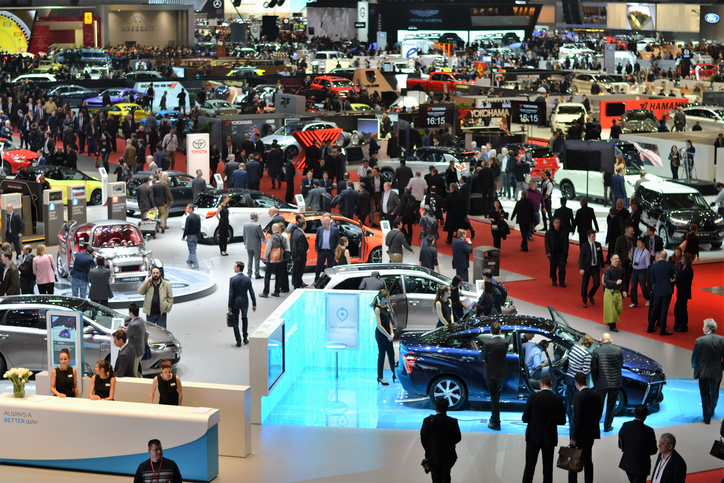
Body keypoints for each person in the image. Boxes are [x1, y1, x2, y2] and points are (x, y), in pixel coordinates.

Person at [521, 375, 567, 483]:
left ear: (540, 384)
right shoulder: (558, 399)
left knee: (529, 467)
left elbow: (525, 418)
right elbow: (562, 421)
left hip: (533, 437)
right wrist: (551, 421)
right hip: (549, 438)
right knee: (547, 469)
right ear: (551, 385)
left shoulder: (533, 397)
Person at [568, 371, 603, 483]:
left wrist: (574, 437)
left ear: (576, 383)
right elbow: (599, 414)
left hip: (578, 435)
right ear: (586, 381)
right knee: (588, 460)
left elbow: (577, 419)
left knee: (573, 461)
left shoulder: (578, 397)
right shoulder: (596, 395)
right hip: (590, 434)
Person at [420, 398, 462, 483]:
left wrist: (429, 449)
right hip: (449, 455)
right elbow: (458, 438)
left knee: (436, 478)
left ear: (436, 408)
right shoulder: (452, 422)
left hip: (434, 455)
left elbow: (423, 438)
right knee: (446, 476)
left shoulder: (428, 421)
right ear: (447, 408)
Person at [692, 318, 724, 425]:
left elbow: (695, 357)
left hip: (703, 371)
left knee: (705, 394)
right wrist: (721, 366)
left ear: (708, 328)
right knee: (714, 392)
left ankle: (707, 417)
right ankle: (712, 410)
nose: (702, 328)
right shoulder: (722, 340)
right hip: (716, 371)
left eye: (704, 326)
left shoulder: (700, 340)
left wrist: (694, 366)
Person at [478, 322, 509, 431]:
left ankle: (496, 422)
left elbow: (480, 357)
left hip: (490, 373)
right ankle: (493, 417)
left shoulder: (487, 344)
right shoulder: (505, 342)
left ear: (491, 331)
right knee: (496, 396)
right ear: (500, 331)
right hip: (501, 373)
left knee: (494, 398)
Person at [591, 332, 623, 433]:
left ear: (601, 340)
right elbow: (621, 364)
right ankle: (607, 426)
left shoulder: (597, 351)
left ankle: (595, 427)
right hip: (615, 381)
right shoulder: (618, 350)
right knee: (611, 404)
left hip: (602, 382)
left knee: (598, 405)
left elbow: (594, 368)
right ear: (611, 340)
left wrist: (596, 381)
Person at [618, 405, 658, 483]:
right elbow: (653, 450)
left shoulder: (625, 425)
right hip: (641, 466)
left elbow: (620, 445)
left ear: (634, 412)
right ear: (645, 416)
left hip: (627, 463)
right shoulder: (649, 431)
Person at [565, 335, 594, 428]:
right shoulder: (587, 354)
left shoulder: (574, 347)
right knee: (577, 403)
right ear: (590, 344)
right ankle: (576, 423)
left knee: (570, 401)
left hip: (568, 377)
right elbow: (585, 371)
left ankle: (570, 422)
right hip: (577, 381)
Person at [648, 250, 675, 335]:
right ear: (666, 257)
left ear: (658, 257)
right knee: (664, 310)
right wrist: (673, 279)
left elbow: (652, 280)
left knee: (654, 309)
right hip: (666, 290)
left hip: (657, 290)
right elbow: (678, 270)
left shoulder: (653, 267)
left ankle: (650, 327)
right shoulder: (669, 264)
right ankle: (662, 329)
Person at [260, 223, 290, 298]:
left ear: (273, 229)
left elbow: (268, 249)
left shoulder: (271, 238)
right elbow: (286, 247)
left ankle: (265, 292)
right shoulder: (283, 237)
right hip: (281, 259)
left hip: (272, 259)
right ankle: (277, 291)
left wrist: (266, 256)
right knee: (278, 275)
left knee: (267, 276)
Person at [372, 289, 395, 386]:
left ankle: (395, 373)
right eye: (388, 297)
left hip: (388, 334)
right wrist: (388, 335)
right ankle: (380, 377)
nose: (389, 298)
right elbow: (379, 325)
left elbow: (389, 321)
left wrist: (392, 333)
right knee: (382, 355)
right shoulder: (377, 309)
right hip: (381, 334)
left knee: (391, 354)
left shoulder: (387, 306)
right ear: (383, 298)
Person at [579, 231, 604, 308]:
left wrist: (602, 266)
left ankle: (590, 294)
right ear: (588, 237)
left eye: (594, 236)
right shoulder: (584, 245)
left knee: (597, 283)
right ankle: (584, 300)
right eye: (592, 236)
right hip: (587, 268)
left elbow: (601, 256)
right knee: (585, 284)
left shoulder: (598, 245)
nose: (594, 238)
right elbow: (581, 258)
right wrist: (581, 268)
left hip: (595, 267)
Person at [602, 254, 624, 332]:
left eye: (618, 258)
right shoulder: (608, 270)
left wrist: (624, 290)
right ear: (611, 260)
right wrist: (615, 283)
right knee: (612, 310)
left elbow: (623, 280)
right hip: (609, 291)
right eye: (615, 259)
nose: (617, 260)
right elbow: (606, 281)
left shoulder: (620, 269)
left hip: (617, 292)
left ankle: (610, 321)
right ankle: (612, 326)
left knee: (619, 308)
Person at [124, 302, 146, 378]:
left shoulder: (133, 325)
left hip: (135, 352)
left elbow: (126, 335)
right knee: (136, 371)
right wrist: (127, 329)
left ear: (131, 312)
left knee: (133, 372)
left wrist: (125, 330)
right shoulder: (141, 320)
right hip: (140, 349)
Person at [544, 218, 568, 287]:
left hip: (561, 253)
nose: (558, 224)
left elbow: (566, 243)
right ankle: (554, 280)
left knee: (562, 268)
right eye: (557, 222)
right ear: (553, 223)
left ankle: (562, 281)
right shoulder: (549, 232)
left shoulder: (563, 231)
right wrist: (548, 252)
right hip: (553, 253)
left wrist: (565, 252)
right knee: (553, 268)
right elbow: (547, 243)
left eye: (559, 222)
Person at [315, 214, 340, 280]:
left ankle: (329, 279)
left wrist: (335, 250)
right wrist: (317, 249)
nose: (323, 222)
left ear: (329, 222)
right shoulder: (319, 229)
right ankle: (316, 278)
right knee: (319, 266)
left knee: (330, 267)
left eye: (325, 221)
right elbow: (317, 240)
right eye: (323, 221)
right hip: (321, 251)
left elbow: (338, 241)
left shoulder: (334, 230)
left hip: (330, 251)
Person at [242, 212, 264, 279]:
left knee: (250, 259)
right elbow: (262, 236)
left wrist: (245, 243)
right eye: (257, 217)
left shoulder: (245, 225)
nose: (258, 218)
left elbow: (244, 235)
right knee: (257, 260)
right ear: (255, 218)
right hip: (256, 245)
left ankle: (249, 273)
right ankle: (257, 274)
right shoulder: (258, 225)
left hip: (248, 244)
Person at [182, 204, 201, 270]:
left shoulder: (189, 218)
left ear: (191, 209)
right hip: (196, 236)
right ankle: (189, 261)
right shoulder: (198, 217)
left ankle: (196, 265)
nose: (186, 209)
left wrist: (183, 236)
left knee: (192, 251)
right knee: (193, 249)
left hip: (190, 236)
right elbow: (199, 227)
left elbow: (186, 228)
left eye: (187, 208)